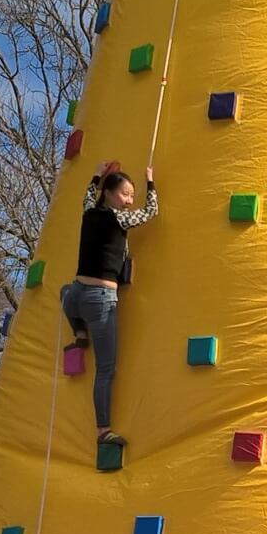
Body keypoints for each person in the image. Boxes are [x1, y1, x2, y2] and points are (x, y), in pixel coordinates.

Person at [60, 159, 158, 453]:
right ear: (110, 193)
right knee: (106, 369)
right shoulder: (119, 218)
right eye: (126, 194)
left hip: (75, 294)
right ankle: (103, 430)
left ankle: (79, 332)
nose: (130, 200)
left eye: (132, 195)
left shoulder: (89, 211)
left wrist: (96, 174)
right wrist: (150, 182)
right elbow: (152, 212)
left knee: (65, 293)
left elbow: (87, 195)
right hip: (100, 299)